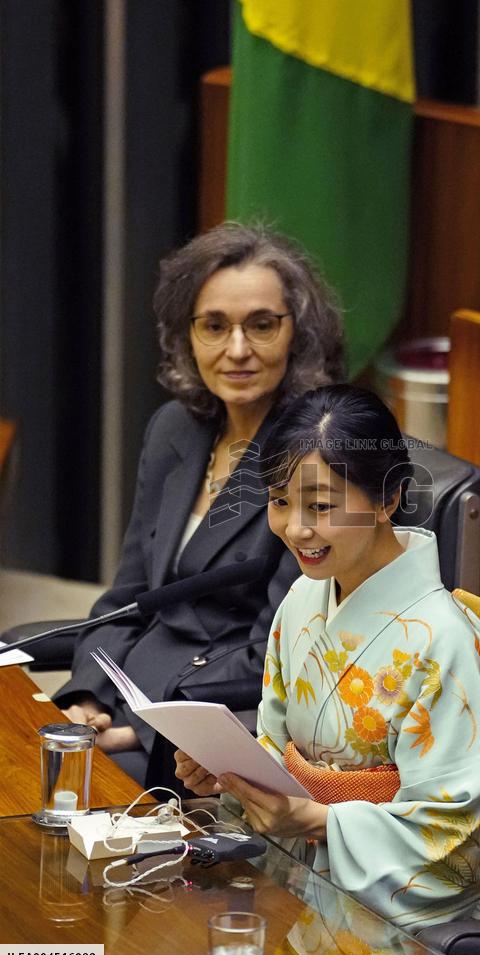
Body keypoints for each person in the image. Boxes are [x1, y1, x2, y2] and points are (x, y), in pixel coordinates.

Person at [176, 385, 480, 929]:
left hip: (406, 920)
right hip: (302, 873)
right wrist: (233, 777)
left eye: (320, 506)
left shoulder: (446, 640)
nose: (296, 529)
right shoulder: (305, 597)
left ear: (387, 498)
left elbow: (455, 837)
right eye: (280, 501)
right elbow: (275, 740)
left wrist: (318, 819)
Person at [54, 223, 345, 786]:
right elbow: (128, 596)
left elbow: (279, 656)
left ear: (298, 334)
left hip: (213, 737)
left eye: (261, 325)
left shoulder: (316, 454)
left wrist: (146, 725)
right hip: (129, 700)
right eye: (215, 326)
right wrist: (90, 695)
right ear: (187, 335)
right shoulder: (176, 429)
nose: (237, 350)